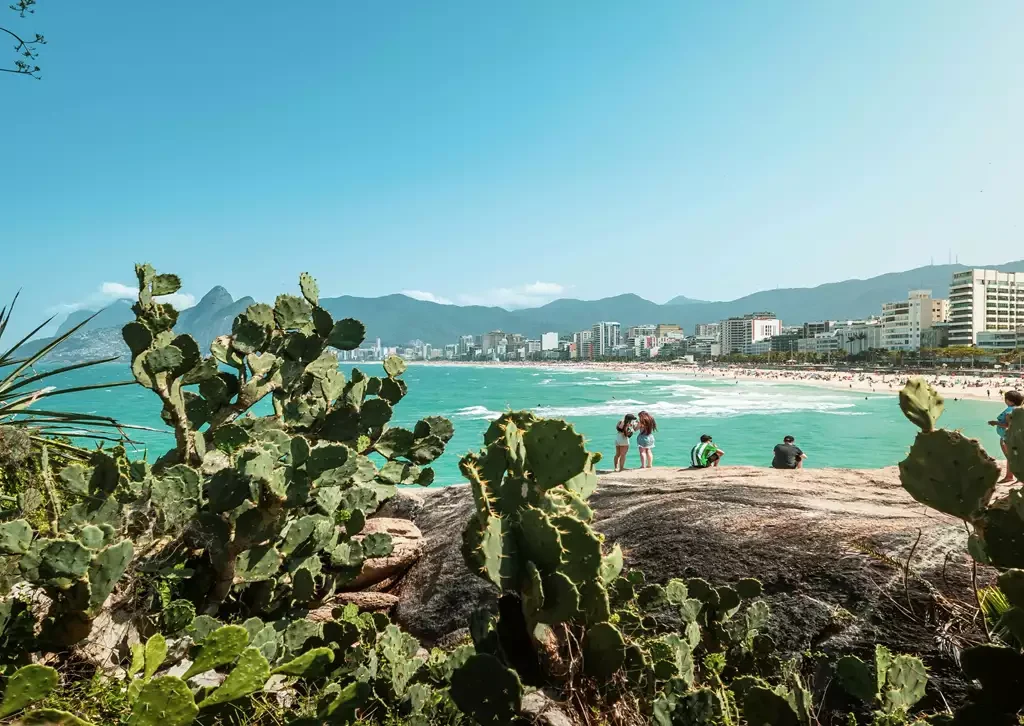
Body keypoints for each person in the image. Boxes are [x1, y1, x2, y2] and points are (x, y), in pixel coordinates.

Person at [989, 390, 1024, 483]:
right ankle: (1015, 477)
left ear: (1010, 400)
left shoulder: (1010, 410)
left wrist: (995, 423)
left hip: (1008, 437)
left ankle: (1009, 476)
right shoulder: (1018, 409)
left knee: (1010, 457)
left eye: (1006, 399)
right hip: (1012, 437)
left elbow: (1009, 425)